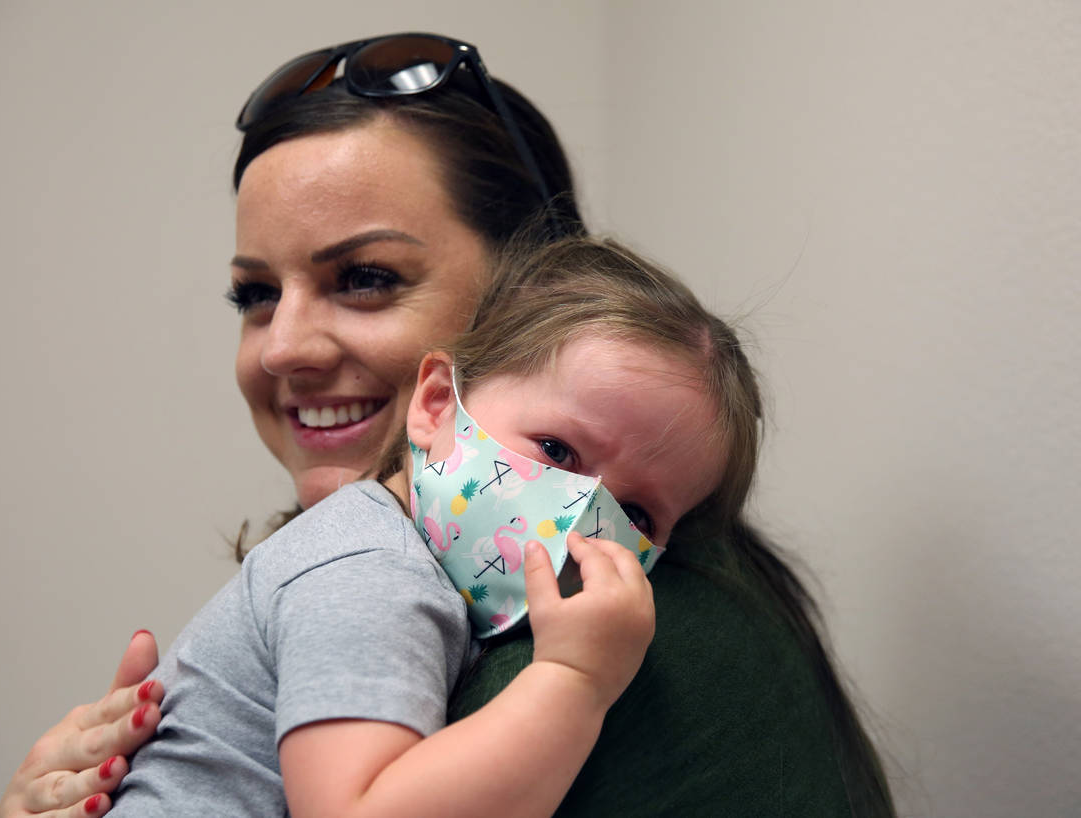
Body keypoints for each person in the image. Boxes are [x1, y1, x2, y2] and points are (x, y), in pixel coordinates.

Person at [0, 32, 894, 818]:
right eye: (256, 295)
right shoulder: (371, 572)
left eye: (366, 277)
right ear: (437, 399)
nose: (282, 350)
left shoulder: (631, 639)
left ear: (538, 287)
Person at [105, 234, 746, 817]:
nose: (579, 517)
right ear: (437, 403)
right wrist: (576, 681)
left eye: (633, 514)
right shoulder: (366, 573)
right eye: (556, 450)